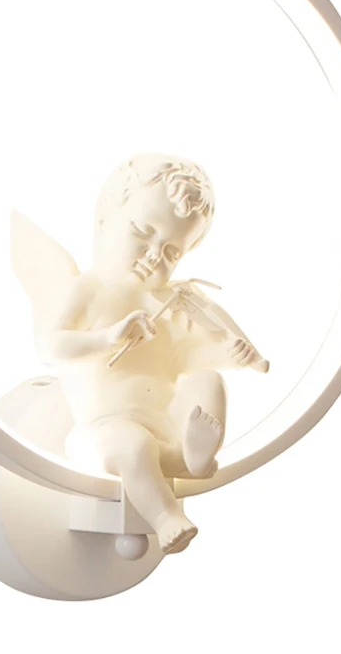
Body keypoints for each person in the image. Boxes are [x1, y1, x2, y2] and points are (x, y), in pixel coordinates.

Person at [35, 154, 267, 554]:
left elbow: (188, 356)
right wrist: (107, 338)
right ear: (103, 219)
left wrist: (231, 352)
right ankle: (166, 518)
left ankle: (193, 459)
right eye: (142, 232)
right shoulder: (88, 290)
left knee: (207, 382)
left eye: (172, 252)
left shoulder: (170, 304)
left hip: (165, 432)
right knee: (133, 446)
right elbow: (50, 345)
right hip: (103, 433)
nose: (154, 255)